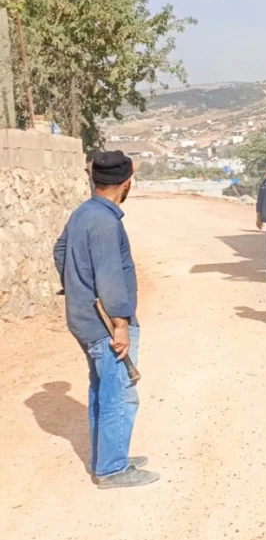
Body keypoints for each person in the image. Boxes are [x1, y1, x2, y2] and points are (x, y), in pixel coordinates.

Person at [52, 151, 159, 489]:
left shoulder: (84, 213)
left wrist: (78, 289)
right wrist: (121, 324)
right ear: (127, 182)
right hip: (105, 323)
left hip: (85, 317)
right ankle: (112, 469)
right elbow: (111, 277)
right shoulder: (105, 222)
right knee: (119, 394)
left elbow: (59, 252)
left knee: (102, 389)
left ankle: (110, 456)